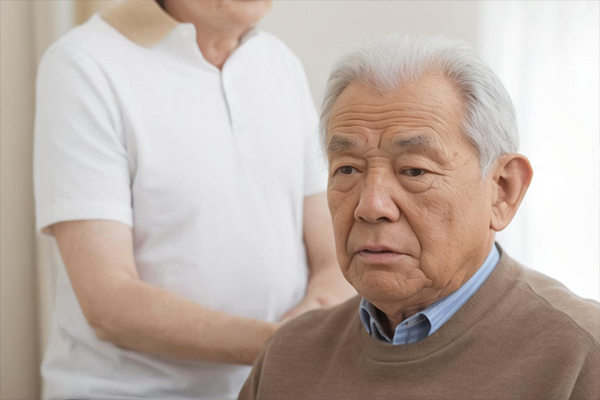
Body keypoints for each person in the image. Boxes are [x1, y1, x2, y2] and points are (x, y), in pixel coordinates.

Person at [239, 33, 600, 400]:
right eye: (347, 169)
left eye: (414, 171)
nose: (371, 206)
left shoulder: (580, 355)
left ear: (502, 190)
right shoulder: (288, 357)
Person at [33, 0, 354, 398]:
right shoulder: (84, 63)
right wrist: (283, 344)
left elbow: (334, 252)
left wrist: (309, 325)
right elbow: (109, 303)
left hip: (271, 386)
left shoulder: (277, 62)